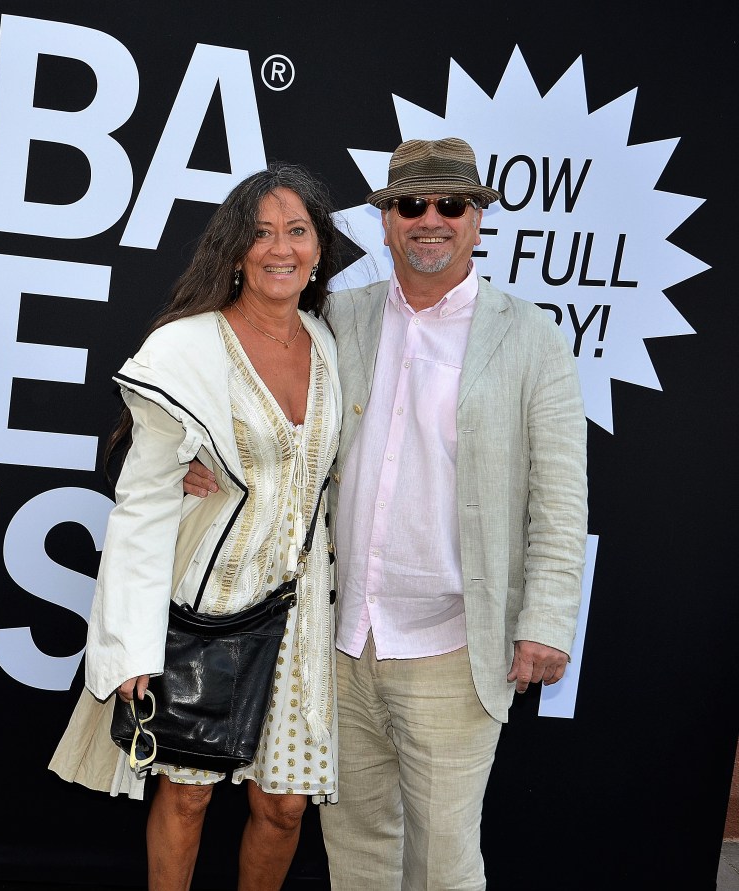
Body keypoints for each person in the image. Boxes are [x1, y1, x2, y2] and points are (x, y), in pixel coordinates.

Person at [182, 137, 588, 890]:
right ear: (387, 220)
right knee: (358, 854)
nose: (430, 219)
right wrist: (199, 457)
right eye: (410, 205)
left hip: (452, 646)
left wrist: (547, 621)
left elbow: (561, 498)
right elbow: (256, 397)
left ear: (476, 220)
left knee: (443, 865)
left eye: (450, 205)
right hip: (336, 639)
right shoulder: (339, 317)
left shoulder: (530, 337)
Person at [49, 162, 348, 891]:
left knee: (284, 806)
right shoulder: (184, 349)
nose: (280, 248)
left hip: (301, 609)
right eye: (261, 232)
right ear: (235, 250)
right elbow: (143, 503)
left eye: (297, 231)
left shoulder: (329, 342)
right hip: (210, 601)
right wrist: (130, 643)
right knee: (187, 794)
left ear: (318, 248)